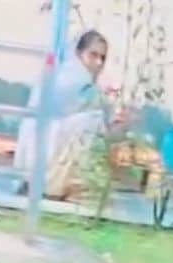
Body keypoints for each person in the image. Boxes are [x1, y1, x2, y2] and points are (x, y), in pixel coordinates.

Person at [15, 29, 109, 201]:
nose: (98, 63)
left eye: (102, 58)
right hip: (43, 154)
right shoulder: (70, 78)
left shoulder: (75, 78)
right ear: (79, 54)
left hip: (46, 152)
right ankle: (70, 188)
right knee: (94, 122)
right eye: (93, 55)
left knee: (95, 121)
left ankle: (67, 186)